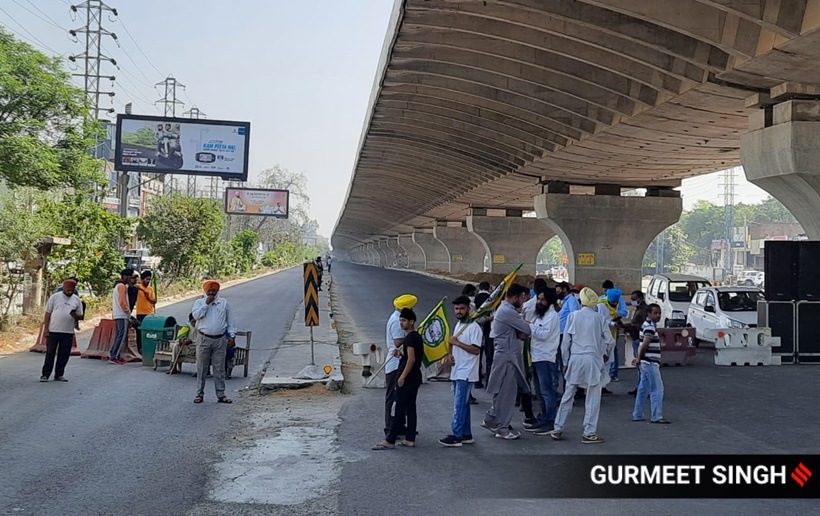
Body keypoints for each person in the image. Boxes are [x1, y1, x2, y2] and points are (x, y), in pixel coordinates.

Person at [550, 287, 614, 444]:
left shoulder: (573, 316)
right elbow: (610, 341)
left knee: (568, 395)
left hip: (576, 358)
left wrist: (565, 362)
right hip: (593, 358)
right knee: (593, 396)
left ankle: (558, 428)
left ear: (580, 302)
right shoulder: (599, 318)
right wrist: (605, 355)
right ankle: (589, 432)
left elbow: (566, 343)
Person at [481, 284, 532, 440]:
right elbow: (527, 330)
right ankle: (503, 428)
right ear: (515, 297)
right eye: (522, 298)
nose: (523, 302)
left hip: (506, 354)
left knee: (501, 391)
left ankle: (491, 419)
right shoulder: (507, 312)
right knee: (507, 394)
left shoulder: (505, 311)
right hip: (507, 356)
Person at [373, 308, 423, 450]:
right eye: (400, 320)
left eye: (404, 320)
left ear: (411, 321)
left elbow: (412, 360)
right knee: (410, 407)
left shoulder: (410, 338)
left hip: (408, 377)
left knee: (398, 408)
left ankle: (390, 439)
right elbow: (410, 357)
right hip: (415, 377)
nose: (401, 323)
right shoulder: (415, 336)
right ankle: (410, 439)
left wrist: (402, 376)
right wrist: (400, 355)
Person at [438, 296, 484, 447]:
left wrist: (457, 342)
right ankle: (466, 434)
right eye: (456, 309)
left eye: (462, 308)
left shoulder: (474, 327)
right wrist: (450, 355)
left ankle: (456, 435)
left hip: (467, 372)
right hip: (457, 370)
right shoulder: (459, 325)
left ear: (468, 309)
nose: (458, 311)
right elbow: (454, 344)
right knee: (463, 404)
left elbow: (476, 350)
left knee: (459, 404)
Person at [192, 280, 237, 404]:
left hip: (220, 339)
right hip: (204, 338)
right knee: (202, 368)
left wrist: (232, 336)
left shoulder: (223, 303)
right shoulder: (199, 302)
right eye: (209, 291)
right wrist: (206, 304)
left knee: (219, 368)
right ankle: (199, 394)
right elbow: (196, 316)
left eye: (214, 291)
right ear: (205, 291)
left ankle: (221, 394)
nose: (211, 293)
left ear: (218, 291)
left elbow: (230, 321)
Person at [525, 288, 561, 435]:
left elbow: (544, 335)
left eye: (543, 299)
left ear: (550, 301)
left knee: (547, 391)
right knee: (539, 391)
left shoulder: (552, 316)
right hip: (536, 356)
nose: (539, 302)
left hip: (546, 358)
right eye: (539, 299)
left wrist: (529, 326)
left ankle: (550, 421)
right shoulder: (540, 315)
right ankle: (543, 417)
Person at [384, 294, 416, 438]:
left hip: (397, 361)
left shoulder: (396, 316)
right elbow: (398, 342)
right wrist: (412, 336)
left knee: (400, 398)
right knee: (393, 397)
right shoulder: (398, 321)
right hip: (395, 363)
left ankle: (399, 426)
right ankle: (390, 427)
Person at [632, 304, 670, 424]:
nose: (658, 315)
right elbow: (645, 345)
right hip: (650, 362)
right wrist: (639, 358)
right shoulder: (650, 327)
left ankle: (637, 414)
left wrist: (639, 359)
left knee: (643, 389)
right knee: (657, 389)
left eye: (659, 313)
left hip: (645, 362)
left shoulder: (647, 325)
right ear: (649, 314)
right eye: (655, 313)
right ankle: (656, 416)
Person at [40, 279, 84, 382]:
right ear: (63, 288)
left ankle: (59, 375)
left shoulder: (76, 300)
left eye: (72, 291)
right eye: (68, 290)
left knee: (64, 354)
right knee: (50, 353)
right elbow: (48, 313)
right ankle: (45, 375)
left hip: (68, 331)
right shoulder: (55, 297)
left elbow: (81, 316)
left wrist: (75, 315)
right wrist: (46, 328)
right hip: (53, 330)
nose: (69, 292)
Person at [597, 288, 624, 386]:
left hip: (612, 335)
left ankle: (604, 384)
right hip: (602, 338)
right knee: (602, 362)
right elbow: (600, 320)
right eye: (613, 302)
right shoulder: (601, 306)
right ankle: (599, 385)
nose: (615, 303)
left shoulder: (614, 306)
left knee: (608, 362)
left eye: (616, 302)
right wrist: (612, 323)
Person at [626, 291, 650, 396]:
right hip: (637, 338)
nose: (632, 301)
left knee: (642, 366)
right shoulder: (640, 309)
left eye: (634, 299)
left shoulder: (644, 310)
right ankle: (641, 388)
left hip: (640, 339)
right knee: (641, 367)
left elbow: (642, 325)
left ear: (640, 298)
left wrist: (630, 326)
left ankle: (643, 389)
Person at [109, 269, 134, 364]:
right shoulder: (122, 286)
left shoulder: (118, 285)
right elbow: (122, 301)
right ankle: (114, 356)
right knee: (121, 335)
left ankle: (115, 354)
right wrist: (128, 312)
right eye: (130, 277)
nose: (131, 279)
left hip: (118, 314)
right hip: (122, 314)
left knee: (118, 335)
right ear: (125, 277)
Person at [474, 281, 492, 388]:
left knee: (478, 357)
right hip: (489, 329)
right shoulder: (492, 298)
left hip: (478, 329)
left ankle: (477, 380)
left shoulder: (476, 298)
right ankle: (488, 382)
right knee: (489, 357)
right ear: (489, 287)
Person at [135, 270, 157, 353]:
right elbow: (135, 286)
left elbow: (154, 301)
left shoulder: (150, 289)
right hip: (140, 313)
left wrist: (148, 297)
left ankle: (148, 347)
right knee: (140, 331)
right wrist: (144, 291)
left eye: (149, 279)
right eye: (146, 279)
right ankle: (140, 349)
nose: (148, 281)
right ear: (142, 279)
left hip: (150, 313)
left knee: (149, 332)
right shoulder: (138, 287)